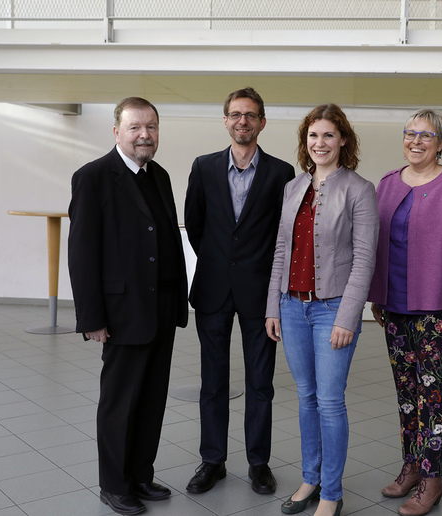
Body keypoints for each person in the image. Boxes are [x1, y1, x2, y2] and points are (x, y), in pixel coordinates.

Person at [68, 97, 188, 516]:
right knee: (119, 403)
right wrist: (92, 318)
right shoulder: (93, 177)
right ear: (116, 131)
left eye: (151, 127)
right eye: (135, 127)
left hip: (160, 310)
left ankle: (140, 473)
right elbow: (82, 254)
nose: (144, 135)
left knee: (152, 399)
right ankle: (114, 485)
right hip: (121, 315)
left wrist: (178, 304)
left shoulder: (161, 176)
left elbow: (168, 241)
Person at [265, 104, 378, 516]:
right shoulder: (293, 188)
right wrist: (272, 306)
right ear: (305, 142)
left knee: (330, 401)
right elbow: (282, 250)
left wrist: (349, 317)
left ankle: (331, 491)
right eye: (313, 136)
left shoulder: (360, 189)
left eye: (328, 135)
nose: (320, 143)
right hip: (292, 308)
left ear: (343, 140)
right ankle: (309, 478)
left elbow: (365, 259)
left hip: (333, 310)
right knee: (306, 397)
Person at [367, 109, 442, 516]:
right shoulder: (386, 185)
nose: (416, 141)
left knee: (432, 393)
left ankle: (433, 480)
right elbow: (378, 246)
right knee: (406, 394)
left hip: (439, 309)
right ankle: (412, 465)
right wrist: (377, 296)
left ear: (441, 142)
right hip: (395, 308)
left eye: (426, 135)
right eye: (410, 133)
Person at [184, 87, 295, 495]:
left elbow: (283, 236)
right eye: (235, 114)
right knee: (212, 382)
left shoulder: (281, 173)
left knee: (260, 383)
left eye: (250, 115)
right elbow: (195, 225)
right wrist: (219, 261)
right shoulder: (204, 167)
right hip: (213, 289)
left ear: (262, 122)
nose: (242, 121)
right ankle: (211, 460)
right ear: (226, 120)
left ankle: (258, 462)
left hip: (260, 294)